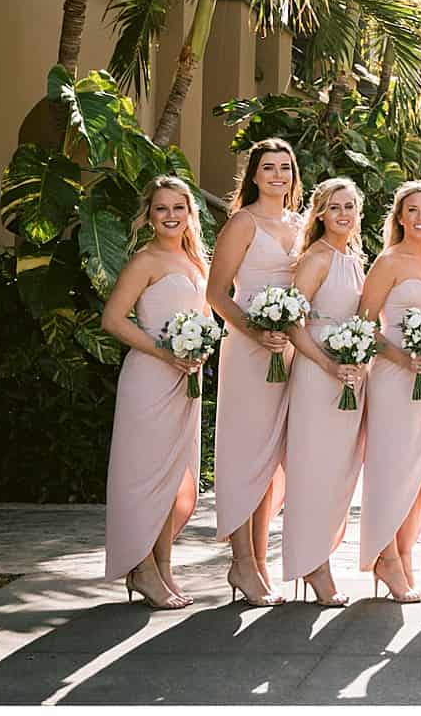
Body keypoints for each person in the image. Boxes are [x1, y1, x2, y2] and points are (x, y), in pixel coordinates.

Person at [100, 176, 211, 609]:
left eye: (178, 208)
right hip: (149, 378)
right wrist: (165, 352)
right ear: (148, 215)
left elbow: (203, 317)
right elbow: (113, 319)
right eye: (161, 208)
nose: (170, 216)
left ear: (189, 214)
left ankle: (163, 565)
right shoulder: (144, 261)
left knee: (175, 476)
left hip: (187, 380)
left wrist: (198, 349)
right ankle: (140, 567)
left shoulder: (196, 262)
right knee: (143, 474)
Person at [207, 138, 303, 606]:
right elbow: (216, 292)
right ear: (254, 175)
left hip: (289, 353)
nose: (278, 176)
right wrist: (254, 330)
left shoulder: (301, 225)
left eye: (285, 168)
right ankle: (241, 562)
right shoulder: (242, 222)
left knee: (271, 460)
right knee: (245, 453)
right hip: (248, 351)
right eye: (269, 168)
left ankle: (259, 563)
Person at [357, 180, 421, 603]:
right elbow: (364, 325)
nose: (420, 218)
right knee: (391, 467)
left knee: (419, 471)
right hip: (396, 375)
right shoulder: (389, 261)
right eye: (412, 210)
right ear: (399, 217)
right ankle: (385, 555)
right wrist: (402, 358)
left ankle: (403, 552)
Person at [281, 178, 368, 607]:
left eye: (350, 206)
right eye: (335, 207)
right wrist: (328, 363)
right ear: (320, 214)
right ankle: (313, 565)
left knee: (338, 473)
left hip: (349, 375)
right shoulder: (316, 259)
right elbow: (292, 323)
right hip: (319, 375)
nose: (344, 214)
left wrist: (358, 360)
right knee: (314, 471)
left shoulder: (352, 258)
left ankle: (322, 556)